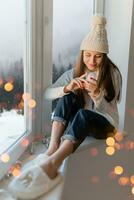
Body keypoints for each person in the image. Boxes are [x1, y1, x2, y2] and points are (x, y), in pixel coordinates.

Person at [8, 14, 122, 200]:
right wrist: (68, 87)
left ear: (105, 57)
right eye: (88, 55)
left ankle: (54, 163)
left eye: (98, 57)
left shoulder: (112, 74)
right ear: (82, 53)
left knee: (85, 114)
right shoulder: (76, 73)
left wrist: (96, 94)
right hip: (80, 122)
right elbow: (48, 93)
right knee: (67, 96)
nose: (92, 61)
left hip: (106, 124)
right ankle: (52, 147)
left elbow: (109, 110)